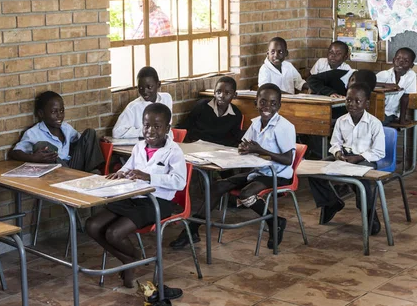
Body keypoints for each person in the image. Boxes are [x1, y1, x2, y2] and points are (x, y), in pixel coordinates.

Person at [170, 83, 295, 250]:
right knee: (216, 186)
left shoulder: (284, 127)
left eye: (273, 103)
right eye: (263, 102)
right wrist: (244, 148)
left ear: (279, 105)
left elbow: (288, 159)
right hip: (257, 171)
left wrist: (259, 149)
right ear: (256, 103)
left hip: (277, 174)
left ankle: (274, 221)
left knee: (245, 194)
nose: (267, 106)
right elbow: (245, 145)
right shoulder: (256, 123)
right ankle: (191, 231)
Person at [85, 103, 186, 290]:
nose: (150, 131)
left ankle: (132, 260)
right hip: (132, 196)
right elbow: (129, 167)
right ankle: (130, 258)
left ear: (167, 129)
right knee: (92, 225)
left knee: (114, 233)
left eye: (157, 126)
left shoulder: (174, 152)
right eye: (147, 125)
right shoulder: (139, 146)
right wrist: (121, 173)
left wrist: (149, 177)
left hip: (157, 202)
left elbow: (179, 182)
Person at [308, 83, 385, 235]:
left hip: (365, 159)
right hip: (344, 157)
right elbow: (335, 143)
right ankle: (332, 202)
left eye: (358, 101)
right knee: (313, 171)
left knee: (360, 176)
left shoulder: (374, 124)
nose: (352, 104)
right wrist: (337, 153)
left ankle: (369, 214)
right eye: (349, 100)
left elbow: (378, 151)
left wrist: (357, 158)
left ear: (366, 103)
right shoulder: (341, 121)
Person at [9, 91, 104, 172]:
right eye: (54, 112)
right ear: (41, 114)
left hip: (72, 167)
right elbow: (15, 153)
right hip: (57, 172)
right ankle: (74, 179)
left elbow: (82, 141)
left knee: (90, 133)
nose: (59, 115)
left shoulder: (66, 128)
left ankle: (92, 174)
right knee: (43, 146)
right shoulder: (33, 133)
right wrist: (34, 158)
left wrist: (96, 141)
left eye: (62, 111)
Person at [177, 76, 243, 147]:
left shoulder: (236, 114)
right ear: (214, 93)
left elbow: (234, 138)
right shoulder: (202, 106)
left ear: (234, 95)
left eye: (227, 93)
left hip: (219, 149)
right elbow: (185, 126)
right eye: (219, 92)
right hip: (197, 146)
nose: (221, 96)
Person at [112, 66, 173, 139]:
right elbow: (117, 132)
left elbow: (167, 125)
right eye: (140, 88)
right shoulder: (133, 107)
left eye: (149, 87)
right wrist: (145, 131)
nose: (144, 91)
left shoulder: (166, 98)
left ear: (158, 85)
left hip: (167, 143)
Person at [376, 47, 417, 125]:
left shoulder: (411, 76)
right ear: (393, 60)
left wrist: (402, 119)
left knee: (378, 124)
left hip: (391, 113)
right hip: (376, 111)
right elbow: (366, 83)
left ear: (411, 65)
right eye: (398, 59)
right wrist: (385, 85)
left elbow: (405, 98)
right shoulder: (384, 74)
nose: (400, 62)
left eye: (406, 61)